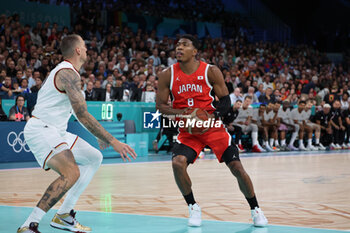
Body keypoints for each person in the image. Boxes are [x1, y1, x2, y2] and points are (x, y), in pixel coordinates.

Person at [18, 35, 137, 233]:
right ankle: (29, 225)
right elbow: (82, 114)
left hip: (56, 130)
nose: (87, 49)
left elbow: (75, 110)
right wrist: (113, 140)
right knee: (71, 172)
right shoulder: (67, 73)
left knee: (94, 157)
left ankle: (64, 215)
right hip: (42, 129)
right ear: (78, 50)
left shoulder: (69, 73)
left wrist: (99, 136)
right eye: (84, 46)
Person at [156, 35, 267, 228]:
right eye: (177, 45)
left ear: (195, 51)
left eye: (184, 45)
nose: (179, 48)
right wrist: (183, 114)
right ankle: (193, 207)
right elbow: (160, 106)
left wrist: (210, 117)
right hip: (188, 130)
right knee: (177, 163)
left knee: (237, 168)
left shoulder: (210, 71)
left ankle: (255, 209)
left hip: (213, 128)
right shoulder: (167, 74)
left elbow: (225, 102)